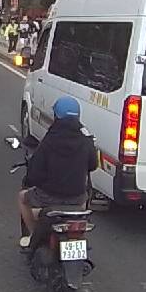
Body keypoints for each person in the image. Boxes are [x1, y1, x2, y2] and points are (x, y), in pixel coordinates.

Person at [17, 96, 97, 248]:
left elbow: (35, 173)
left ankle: (33, 236)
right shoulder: (86, 139)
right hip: (78, 199)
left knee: (22, 198)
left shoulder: (50, 140)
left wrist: (30, 179)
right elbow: (93, 165)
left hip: (49, 197)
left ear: (56, 116)